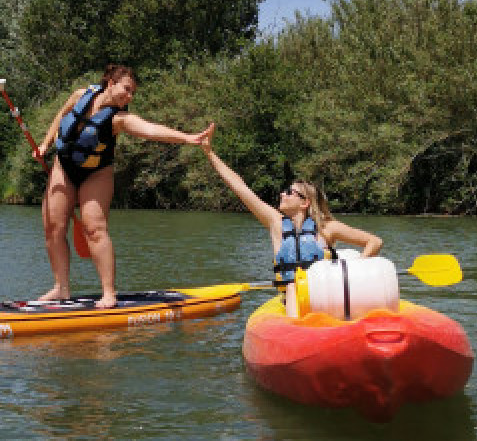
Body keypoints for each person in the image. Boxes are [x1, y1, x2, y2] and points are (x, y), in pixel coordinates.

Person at [35, 64, 214, 309]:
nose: (129, 96)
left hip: (96, 173)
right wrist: (45, 144)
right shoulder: (80, 95)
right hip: (63, 166)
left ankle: (109, 293)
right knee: (53, 227)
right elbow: (61, 116)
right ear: (110, 83)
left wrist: (188, 138)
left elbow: (152, 130)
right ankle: (61, 288)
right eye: (126, 89)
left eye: (132, 93)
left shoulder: (119, 119)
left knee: (95, 229)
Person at [198, 135, 382, 284]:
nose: (282, 194)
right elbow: (239, 186)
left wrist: (353, 271)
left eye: (289, 192)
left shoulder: (327, 228)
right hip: (291, 297)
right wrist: (209, 152)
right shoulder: (276, 223)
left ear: (305, 203)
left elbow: (374, 242)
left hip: (322, 299)